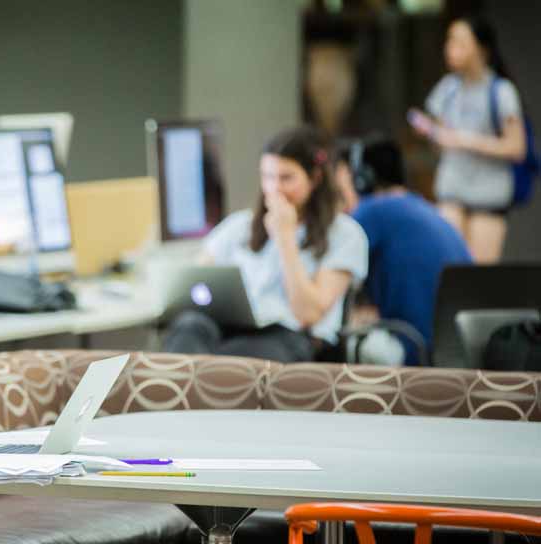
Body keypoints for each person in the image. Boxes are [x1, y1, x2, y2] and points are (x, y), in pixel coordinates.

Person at [163, 126, 368, 362]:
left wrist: (285, 239)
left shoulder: (345, 233)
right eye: (268, 176)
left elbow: (308, 314)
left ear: (315, 178)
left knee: (222, 365)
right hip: (232, 324)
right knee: (188, 327)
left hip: (290, 335)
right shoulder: (240, 225)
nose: (274, 188)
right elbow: (194, 277)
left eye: (286, 178)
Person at [334, 137, 472, 364]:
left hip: (412, 347)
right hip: (456, 352)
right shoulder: (425, 209)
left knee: (333, 347)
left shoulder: (371, 211)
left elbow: (327, 270)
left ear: (361, 179)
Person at [409, 16, 526, 263]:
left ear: (482, 48)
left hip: (488, 195)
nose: (450, 48)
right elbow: (440, 142)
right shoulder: (447, 89)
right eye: (449, 40)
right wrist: (432, 132)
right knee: (447, 265)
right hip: (452, 189)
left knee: (479, 275)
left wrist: (465, 140)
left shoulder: (501, 91)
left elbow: (517, 147)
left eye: (460, 42)